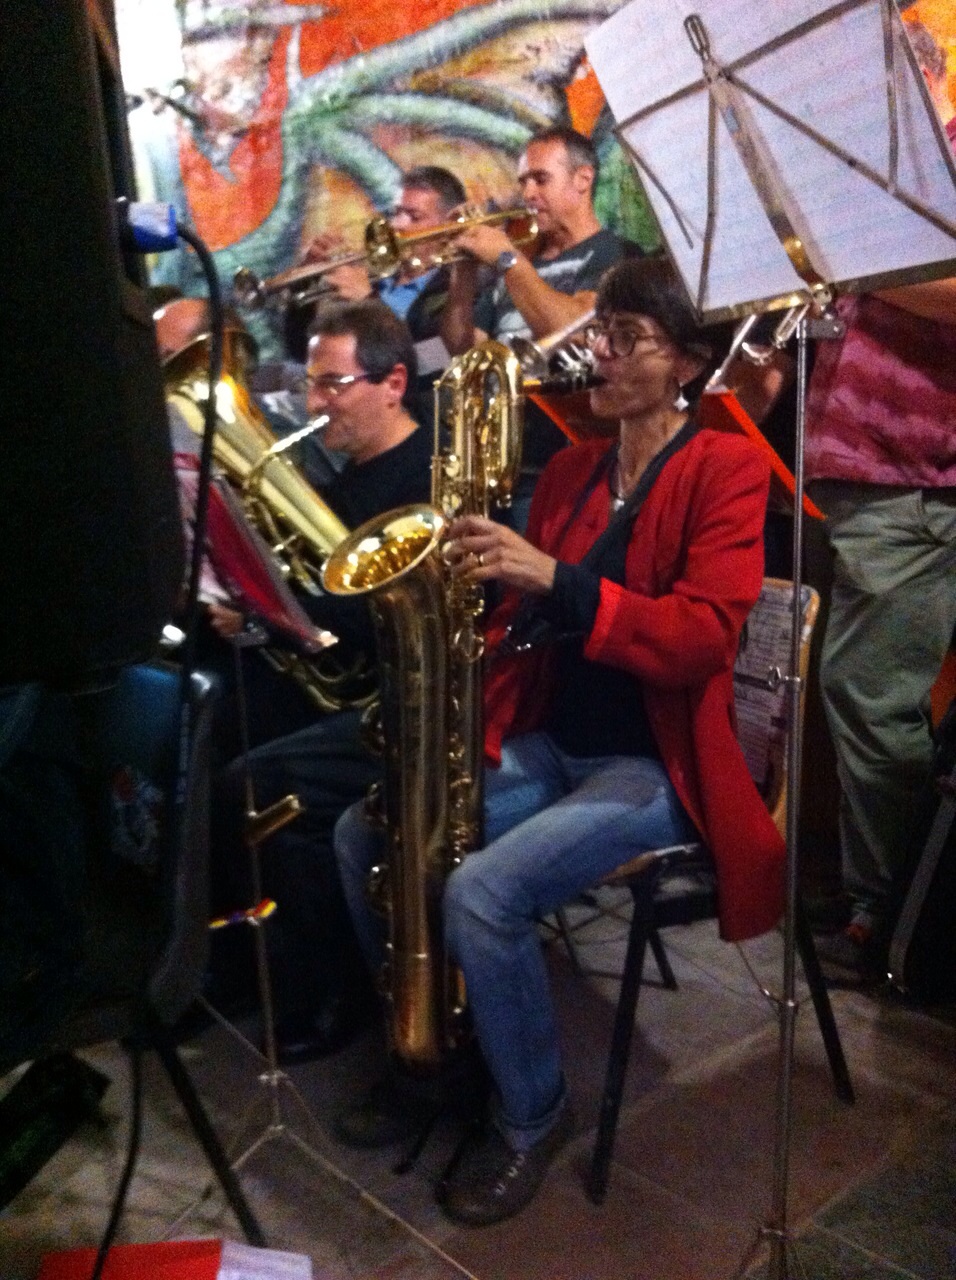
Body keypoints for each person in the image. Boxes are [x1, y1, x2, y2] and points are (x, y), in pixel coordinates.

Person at [333, 256, 785, 1226]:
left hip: (655, 762)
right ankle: (430, 1052)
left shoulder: (725, 466)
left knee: (483, 890)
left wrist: (552, 578)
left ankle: (531, 1114)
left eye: (628, 337)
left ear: (686, 362)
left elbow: (701, 636)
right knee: (364, 831)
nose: (600, 352)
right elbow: (530, 613)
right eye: (600, 331)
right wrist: (470, 587)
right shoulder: (576, 469)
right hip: (551, 738)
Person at [209, 299, 435, 1063]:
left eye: (332, 384)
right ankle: (240, 961)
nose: (314, 404)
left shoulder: (425, 475)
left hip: (396, 695)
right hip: (338, 677)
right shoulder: (346, 479)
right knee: (208, 728)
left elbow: (384, 614)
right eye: (311, 384)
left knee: (260, 782)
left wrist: (275, 613)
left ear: (393, 383)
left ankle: (336, 988)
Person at [805, 273, 956, 981]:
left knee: (871, 698)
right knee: (858, 696)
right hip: (871, 477)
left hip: (910, 479)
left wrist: (854, 260)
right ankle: (876, 896)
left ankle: (895, 921)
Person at [439, 126, 640, 528]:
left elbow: (576, 329)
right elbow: (464, 347)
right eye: (523, 182)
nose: (528, 193)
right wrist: (462, 276)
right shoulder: (521, 263)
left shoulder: (614, 254)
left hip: (561, 462)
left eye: (541, 179)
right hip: (495, 461)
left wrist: (508, 260)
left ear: (583, 179)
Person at [302, 166, 467, 409]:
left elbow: (430, 363)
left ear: (448, 227)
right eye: (396, 213)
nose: (398, 225)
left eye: (414, 217)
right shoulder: (374, 275)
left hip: (403, 410)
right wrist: (307, 277)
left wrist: (370, 301)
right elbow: (299, 347)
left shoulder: (458, 289)